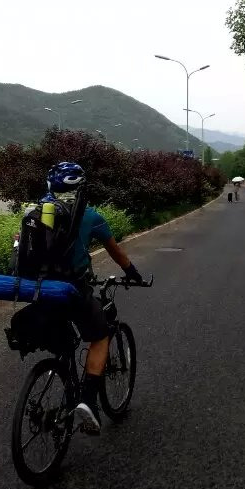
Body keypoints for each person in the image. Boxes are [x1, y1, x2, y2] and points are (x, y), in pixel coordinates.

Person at [41, 162, 143, 435]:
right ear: (81, 188)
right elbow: (116, 252)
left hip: (40, 289)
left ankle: (59, 378)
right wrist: (132, 273)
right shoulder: (90, 215)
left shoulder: (39, 211)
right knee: (100, 336)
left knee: (63, 340)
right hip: (73, 288)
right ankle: (87, 400)